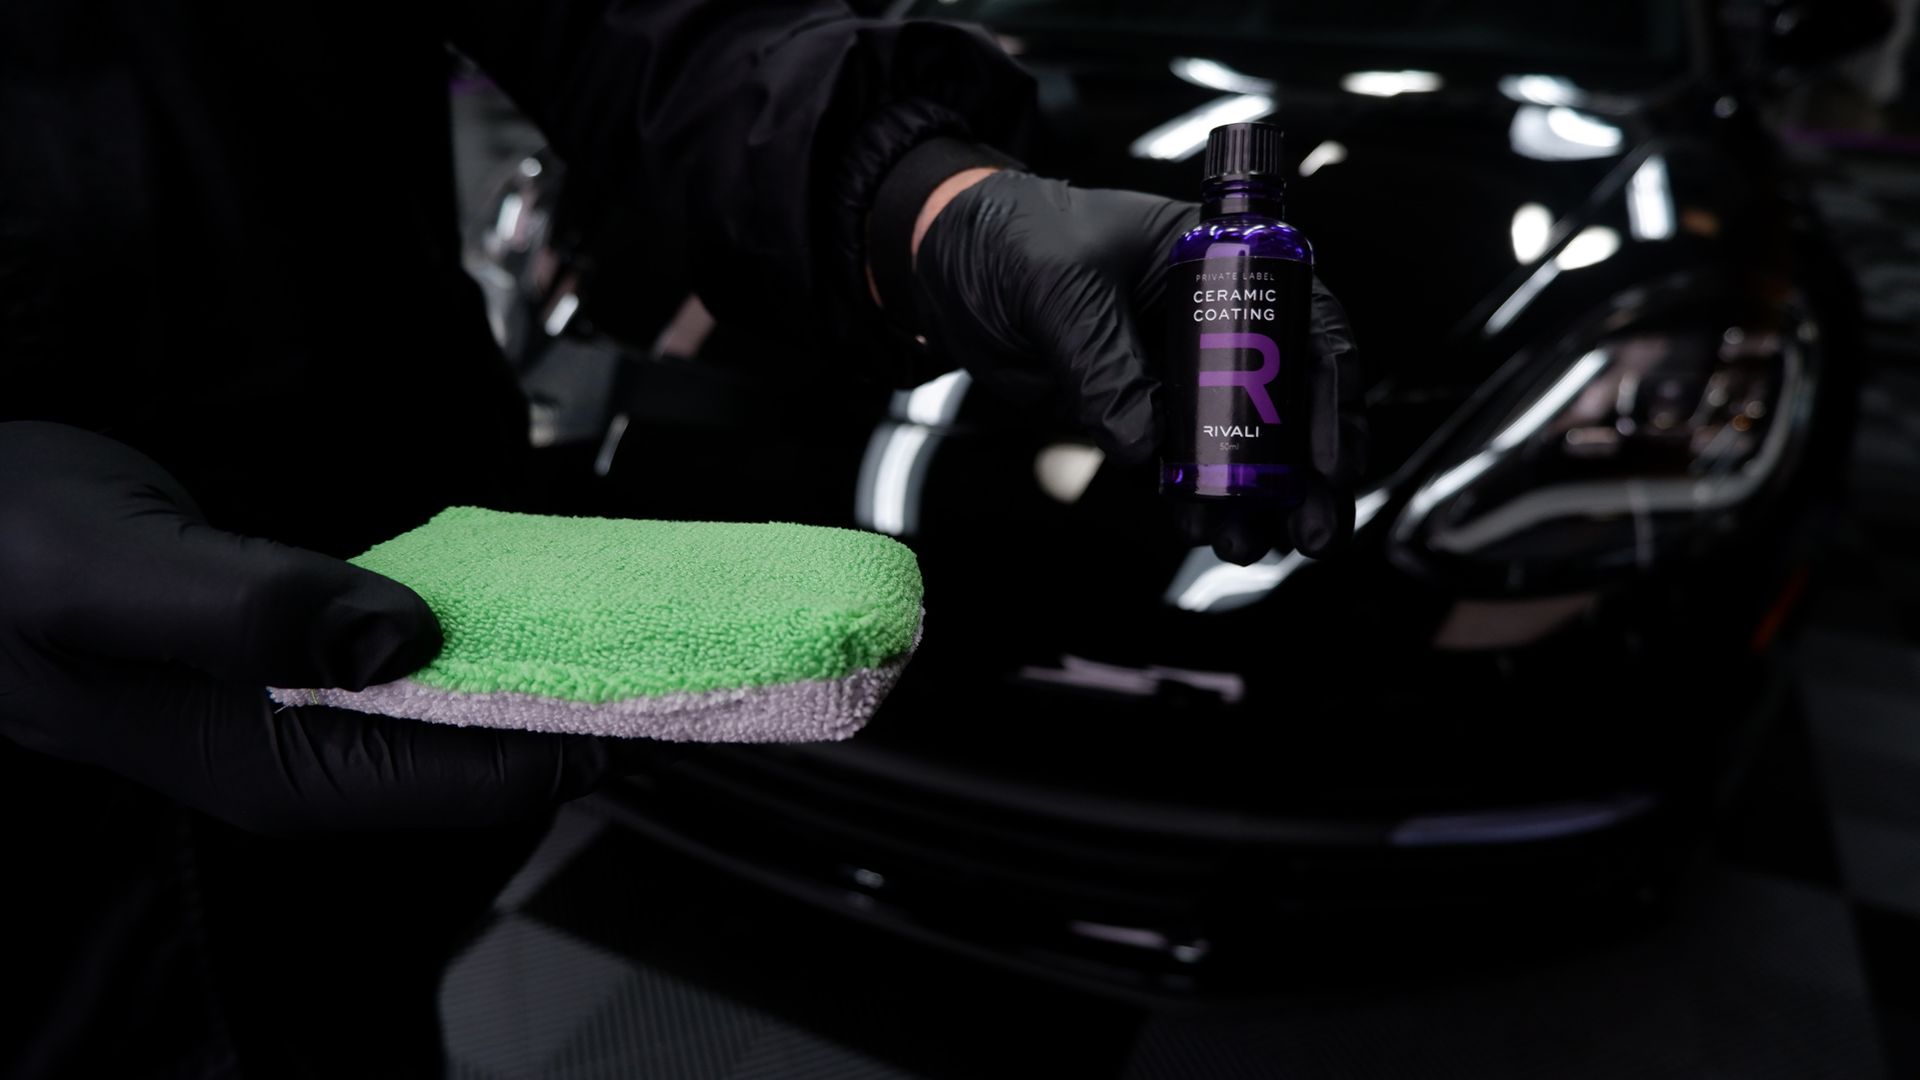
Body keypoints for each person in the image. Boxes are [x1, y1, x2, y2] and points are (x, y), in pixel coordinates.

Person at [0, 1, 1364, 1074]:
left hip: (364, 689)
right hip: (35, 885)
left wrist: (922, 203)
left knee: (345, 1020)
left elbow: (628, 20)